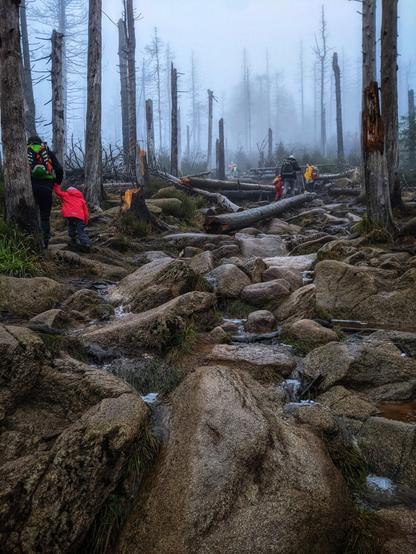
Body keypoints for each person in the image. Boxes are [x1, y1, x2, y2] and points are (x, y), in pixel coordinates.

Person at [27, 135, 63, 248]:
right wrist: (56, 183)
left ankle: (29, 241)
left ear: (29, 143)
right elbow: (59, 169)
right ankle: (45, 243)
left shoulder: (25, 151)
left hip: (29, 187)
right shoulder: (47, 151)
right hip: (46, 187)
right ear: (40, 142)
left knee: (29, 214)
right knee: (44, 216)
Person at [53, 183, 91, 252]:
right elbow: (85, 210)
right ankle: (86, 244)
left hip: (70, 215)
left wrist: (56, 184)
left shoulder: (66, 195)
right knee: (81, 231)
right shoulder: (81, 198)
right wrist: (86, 220)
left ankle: (73, 238)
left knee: (71, 225)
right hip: (80, 217)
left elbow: (58, 192)